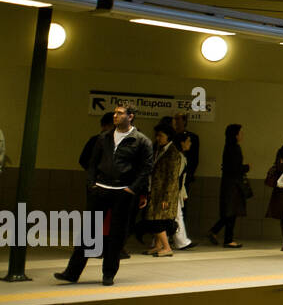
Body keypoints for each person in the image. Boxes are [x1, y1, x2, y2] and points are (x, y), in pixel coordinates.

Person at [55, 103, 153, 286]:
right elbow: (92, 163)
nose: (115, 116)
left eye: (120, 113)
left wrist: (132, 189)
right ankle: (72, 272)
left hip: (122, 192)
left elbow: (146, 169)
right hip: (100, 189)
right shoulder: (103, 138)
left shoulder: (141, 141)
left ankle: (108, 274)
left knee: (117, 235)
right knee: (88, 232)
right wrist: (91, 184)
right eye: (115, 113)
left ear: (130, 116)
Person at [139, 120, 186, 256]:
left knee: (157, 220)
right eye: (157, 135)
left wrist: (166, 197)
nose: (157, 138)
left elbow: (172, 178)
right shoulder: (158, 150)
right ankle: (159, 245)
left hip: (164, 193)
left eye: (160, 135)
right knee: (154, 218)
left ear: (168, 137)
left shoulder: (173, 153)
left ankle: (167, 247)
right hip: (154, 191)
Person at [209, 123, 247, 248]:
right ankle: (228, 239)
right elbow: (235, 168)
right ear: (235, 135)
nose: (242, 135)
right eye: (240, 133)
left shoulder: (228, 147)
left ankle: (215, 231)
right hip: (233, 184)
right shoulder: (235, 148)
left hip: (228, 183)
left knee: (228, 212)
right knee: (231, 212)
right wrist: (246, 167)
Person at [170, 111, 199, 250]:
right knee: (175, 214)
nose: (176, 122)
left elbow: (192, 165)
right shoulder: (177, 157)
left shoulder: (183, 156)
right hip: (173, 188)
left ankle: (179, 240)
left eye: (179, 120)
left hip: (179, 186)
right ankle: (179, 241)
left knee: (178, 214)